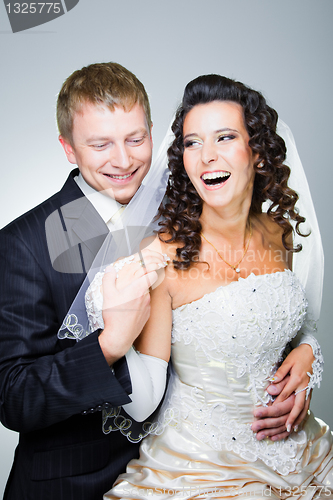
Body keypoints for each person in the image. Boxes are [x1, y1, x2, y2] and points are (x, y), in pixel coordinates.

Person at [0, 61, 318, 499]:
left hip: (215, 464)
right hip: (78, 484)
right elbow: (14, 397)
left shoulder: (196, 195)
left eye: (135, 139)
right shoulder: (26, 242)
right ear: (69, 148)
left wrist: (305, 353)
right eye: (100, 145)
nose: (125, 160)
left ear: (153, 131)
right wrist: (109, 345)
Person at [99, 75, 332, 499]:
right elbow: (143, 401)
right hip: (202, 465)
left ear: (257, 153)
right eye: (192, 143)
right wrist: (115, 326)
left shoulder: (279, 233)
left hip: (304, 451)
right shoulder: (162, 256)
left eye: (224, 137)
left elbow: (298, 325)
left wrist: (309, 353)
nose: (206, 156)